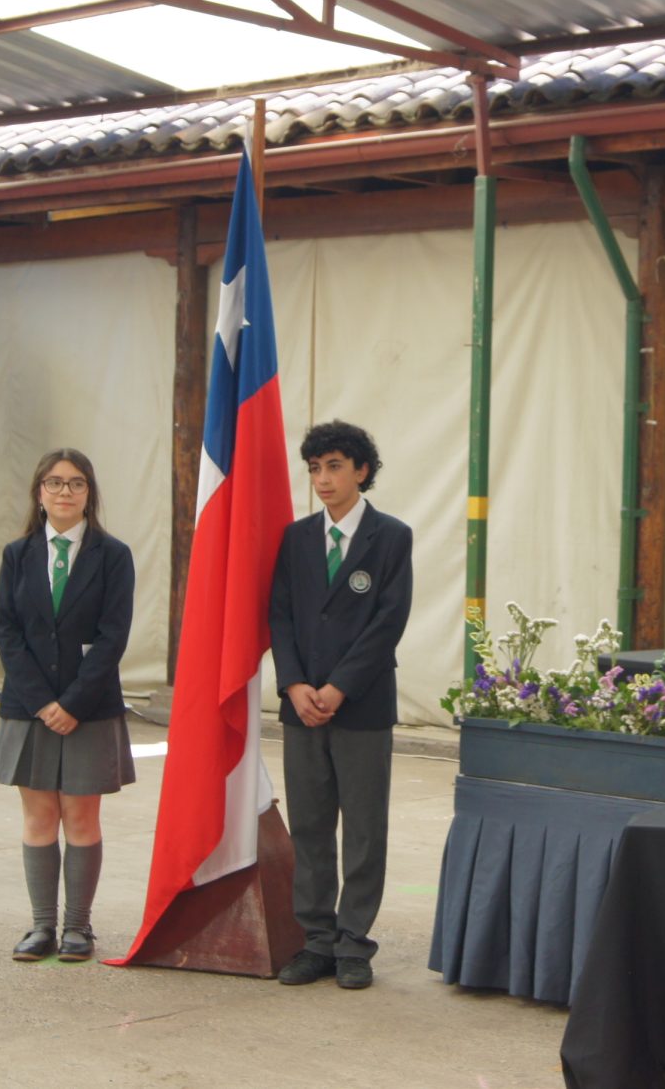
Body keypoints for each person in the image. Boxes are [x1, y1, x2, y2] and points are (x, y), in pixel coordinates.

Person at [269, 421, 413, 992]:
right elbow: (280, 615)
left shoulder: (391, 537)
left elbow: (388, 621)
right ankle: (316, 941)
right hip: (302, 706)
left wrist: (339, 687)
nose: (323, 479)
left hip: (361, 706)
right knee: (308, 826)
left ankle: (354, 942)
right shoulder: (296, 538)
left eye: (334, 466)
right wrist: (294, 684)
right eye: (314, 469)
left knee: (363, 828)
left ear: (362, 471)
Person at [0, 448, 135, 964]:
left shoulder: (112, 555)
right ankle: (41, 926)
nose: (65, 492)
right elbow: (7, 633)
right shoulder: (17, 554)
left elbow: (114, 636)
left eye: (76, 483)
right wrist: (42, 701)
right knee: (39, 817)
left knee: (80, 817)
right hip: (29, 707)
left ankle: (78, 927)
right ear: (39, 492)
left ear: (89, 494)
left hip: (89, 708)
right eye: (54, 482)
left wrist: (71, 703)